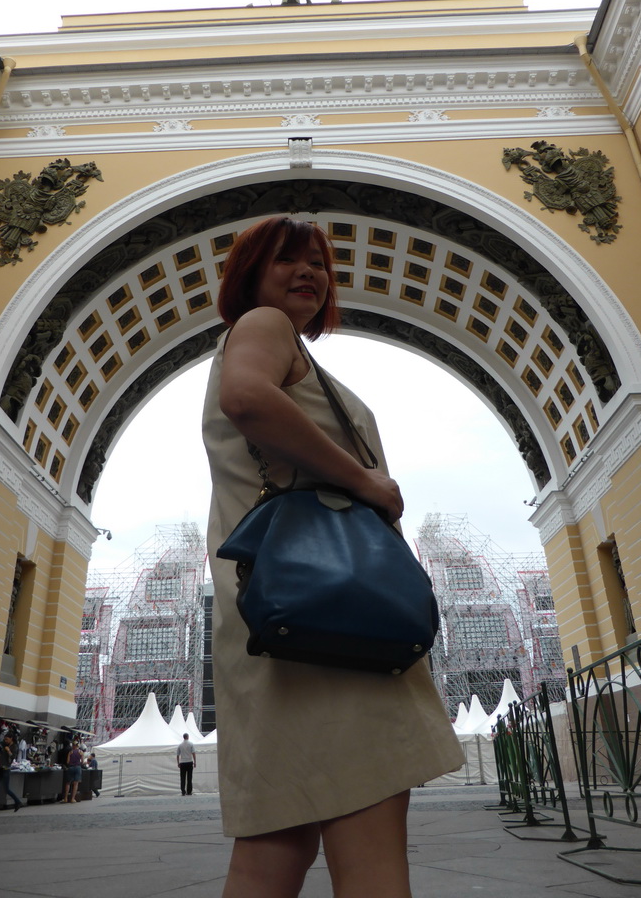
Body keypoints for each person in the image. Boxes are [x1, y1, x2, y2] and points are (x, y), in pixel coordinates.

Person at [202, 216, 465, 898]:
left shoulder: (271, 343)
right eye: (288, 259)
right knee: (372, 856)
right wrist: (365, 480)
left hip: (279, 626)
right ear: (250, 275)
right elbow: (246, 398)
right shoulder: (264, 326)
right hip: (339, 626)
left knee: (271, 854)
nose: (310, 273)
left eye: (319, 262)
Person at [0, 730, 23, 813]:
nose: (6, 741)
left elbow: (12, 757)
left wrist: (8, 751)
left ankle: (17, 801)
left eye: (7, 739)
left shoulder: (14, 746)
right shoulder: (2, 744)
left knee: (6, 789)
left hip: (6, 769)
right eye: (5, 739)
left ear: (11, 739)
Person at [62, 738, 84, 803]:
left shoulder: (70, 752)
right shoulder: (81, 752)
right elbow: (82, 762)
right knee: (75, 783)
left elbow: (68, 761)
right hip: (78, 768)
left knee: (68, 783)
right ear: (78, 746)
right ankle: (72, 799)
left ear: (73, 745)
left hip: (71, 768)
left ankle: (65, 798)